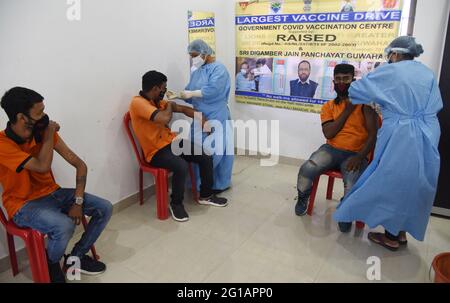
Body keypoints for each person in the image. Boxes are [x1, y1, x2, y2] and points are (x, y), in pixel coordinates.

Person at [333, 36, 443, 251]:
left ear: (395, 53)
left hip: (402, 135)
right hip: (429, 133)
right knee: (414, 184)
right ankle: (400, 232)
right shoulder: (426, 73)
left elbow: (356, 91)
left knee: (393, 183)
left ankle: (391, 236)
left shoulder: (391, 71)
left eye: (390, 55)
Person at [0, 87, 112, 283]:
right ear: (21, 117)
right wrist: (50, 133)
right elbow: (42, 167)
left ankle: (75, 257)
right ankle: (51, 264)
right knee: (64, 225)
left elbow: (80, 165)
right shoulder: (3, 143)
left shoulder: (42, 132)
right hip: (23, 204)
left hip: (53, 193)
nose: (45, 116)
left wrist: (77, 202)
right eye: (39, 112)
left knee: (105, 207)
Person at [130, 70, 228, 222]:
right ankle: (176, 204)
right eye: (163, 88)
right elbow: (163, 118)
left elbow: (183, 109)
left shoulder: (158, 102)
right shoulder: (138, 103)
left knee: (206, 156)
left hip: (172, 142)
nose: (165, 91)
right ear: (155, 89)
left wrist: (202, 118)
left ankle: (206, 195)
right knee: (181, 166)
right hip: (155, 152)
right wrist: (169, 105)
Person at [295, 64, 378, 232]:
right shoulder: (329, 107)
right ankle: (303, 197)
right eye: (338, 79)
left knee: (352, 184)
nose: (342, 83)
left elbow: (373, 135)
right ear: (333, 81)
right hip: (331, 149)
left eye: (346, 79)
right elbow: (330, 133)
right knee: (307, 168)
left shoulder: (365, 105)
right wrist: (348, 110)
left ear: (353, 80)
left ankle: (346, 210)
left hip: (355, 153)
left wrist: (361, 156)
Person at [179, 39, 234, 194]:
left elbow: (213, 90)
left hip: (217, 114)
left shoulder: (219, 70)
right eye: (191, 56)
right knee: (197, 149)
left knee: (217, 150)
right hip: (199, 115)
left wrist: (191, 93)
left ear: (204, 53)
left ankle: (216, 184)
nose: (193, 59)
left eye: (195, 55)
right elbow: (190, 92)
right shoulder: (197, 71)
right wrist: (182, 95)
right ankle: (197, 184)